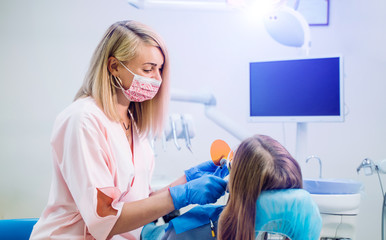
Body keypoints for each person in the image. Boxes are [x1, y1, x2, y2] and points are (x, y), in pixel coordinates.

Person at [30, 20, 228, 240]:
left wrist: (187, 180)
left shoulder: (131, 121)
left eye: (160, 69)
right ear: (114, 66)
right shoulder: (83, 120)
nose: (158, 79)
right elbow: (104, 217)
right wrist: (182, 195)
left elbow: (136, 202)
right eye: (148, 69)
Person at [141, 134, 321, 240]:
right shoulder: (303, 226)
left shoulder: (197, 226)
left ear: (234, 180)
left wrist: (182, 187)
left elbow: (145, 231)